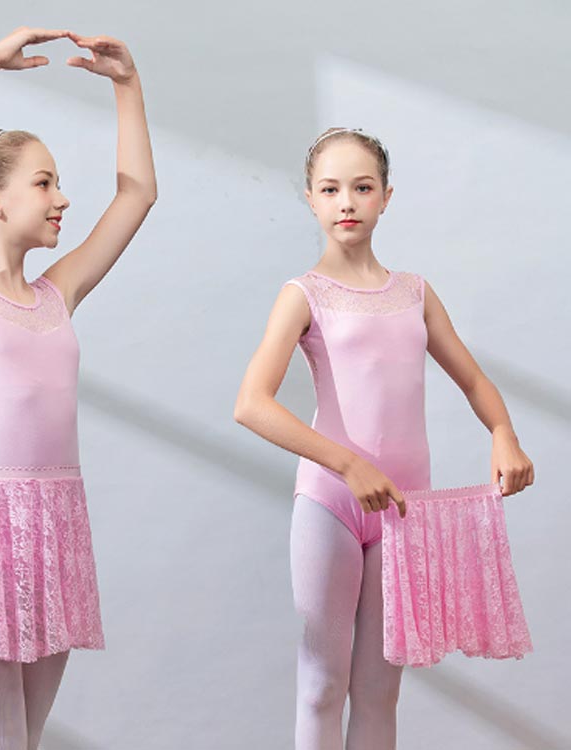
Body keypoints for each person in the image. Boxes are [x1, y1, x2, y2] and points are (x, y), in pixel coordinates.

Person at [233, 127, 533, 750]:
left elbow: (474, 379)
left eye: (362, 187)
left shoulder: (414, 293)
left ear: (386, 197)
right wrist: (348, 466)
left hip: (405, 510)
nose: (346, 202)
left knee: (379, 692)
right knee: (322, 685)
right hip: (331, 506)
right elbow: (251, 404)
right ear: (311, 200)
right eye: (330, 189)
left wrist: (503, 431)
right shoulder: (303, 295)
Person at [0, 27, 156, 750]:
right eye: (45, 183)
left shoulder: (58, 293)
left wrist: (127, 84)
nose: (62, 199)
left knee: (26, 742)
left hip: (57, 524)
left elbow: (138, 194)